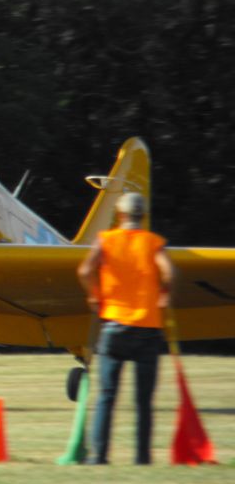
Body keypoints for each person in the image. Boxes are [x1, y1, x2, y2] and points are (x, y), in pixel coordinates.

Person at [77, 191, 174, 465]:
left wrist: (93, 294)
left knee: (107, 396)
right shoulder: (153, 243)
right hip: (147, 330)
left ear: (120, 215)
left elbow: (85, 271)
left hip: (114, 328)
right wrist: (164, 293)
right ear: (142, 216)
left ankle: (99, 456)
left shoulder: (106, 240)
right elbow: (169, 272)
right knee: (144, 402)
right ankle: (142, 458)